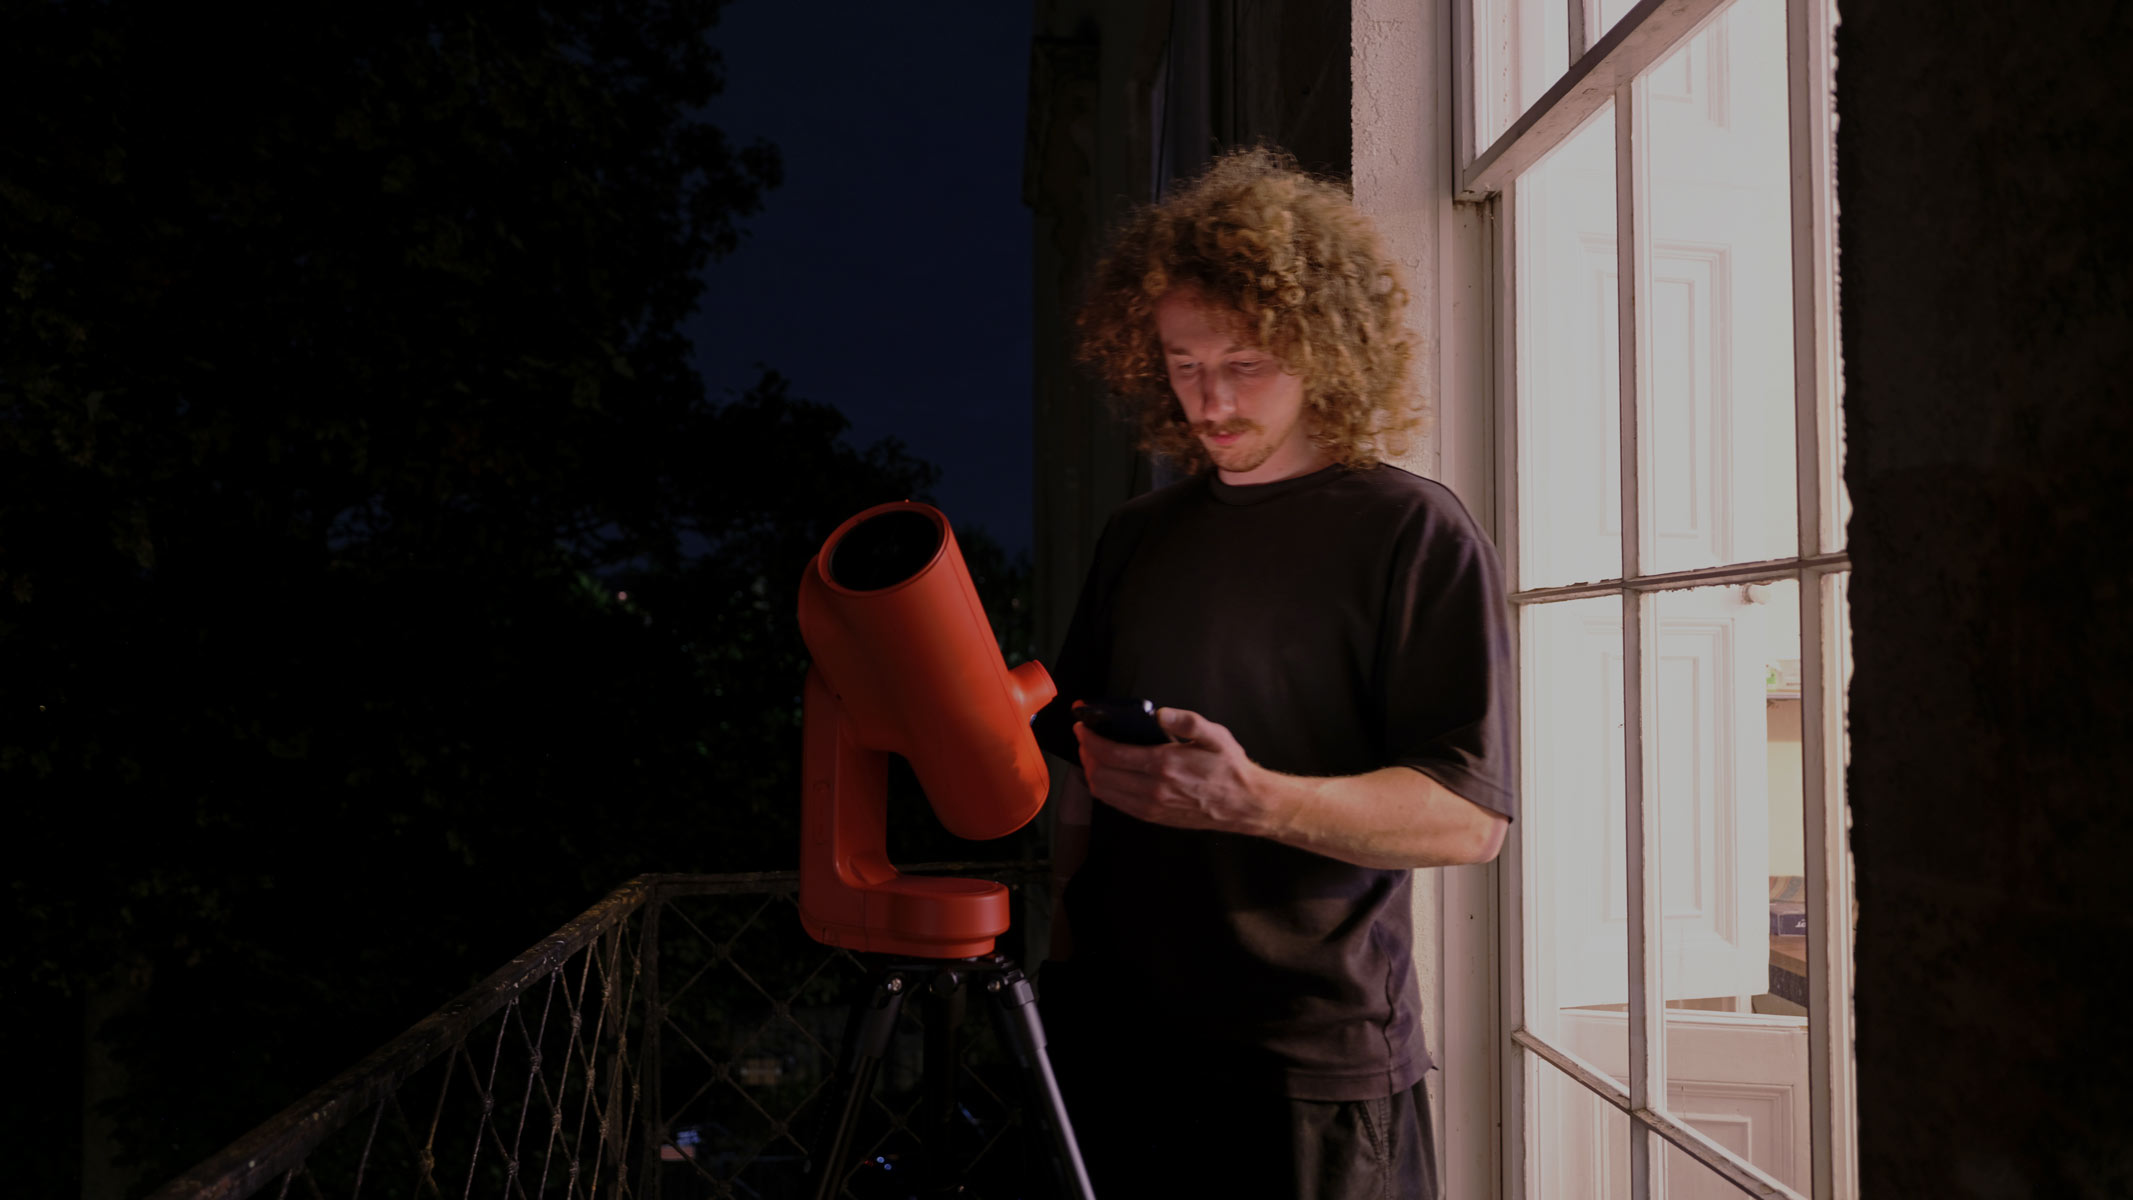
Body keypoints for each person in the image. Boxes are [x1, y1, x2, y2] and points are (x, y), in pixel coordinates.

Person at [1030, 147, 1517, 1199]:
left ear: (1326, 346)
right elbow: (1081, 748)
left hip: (1307, 1065)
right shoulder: (1138, 535)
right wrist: (1067, 931)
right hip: (1117, 1040)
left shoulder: (1412, 531)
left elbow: (1466, 821)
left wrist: (1252, 799)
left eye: (1245, 363)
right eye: (1182, 363)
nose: (1210, 399)